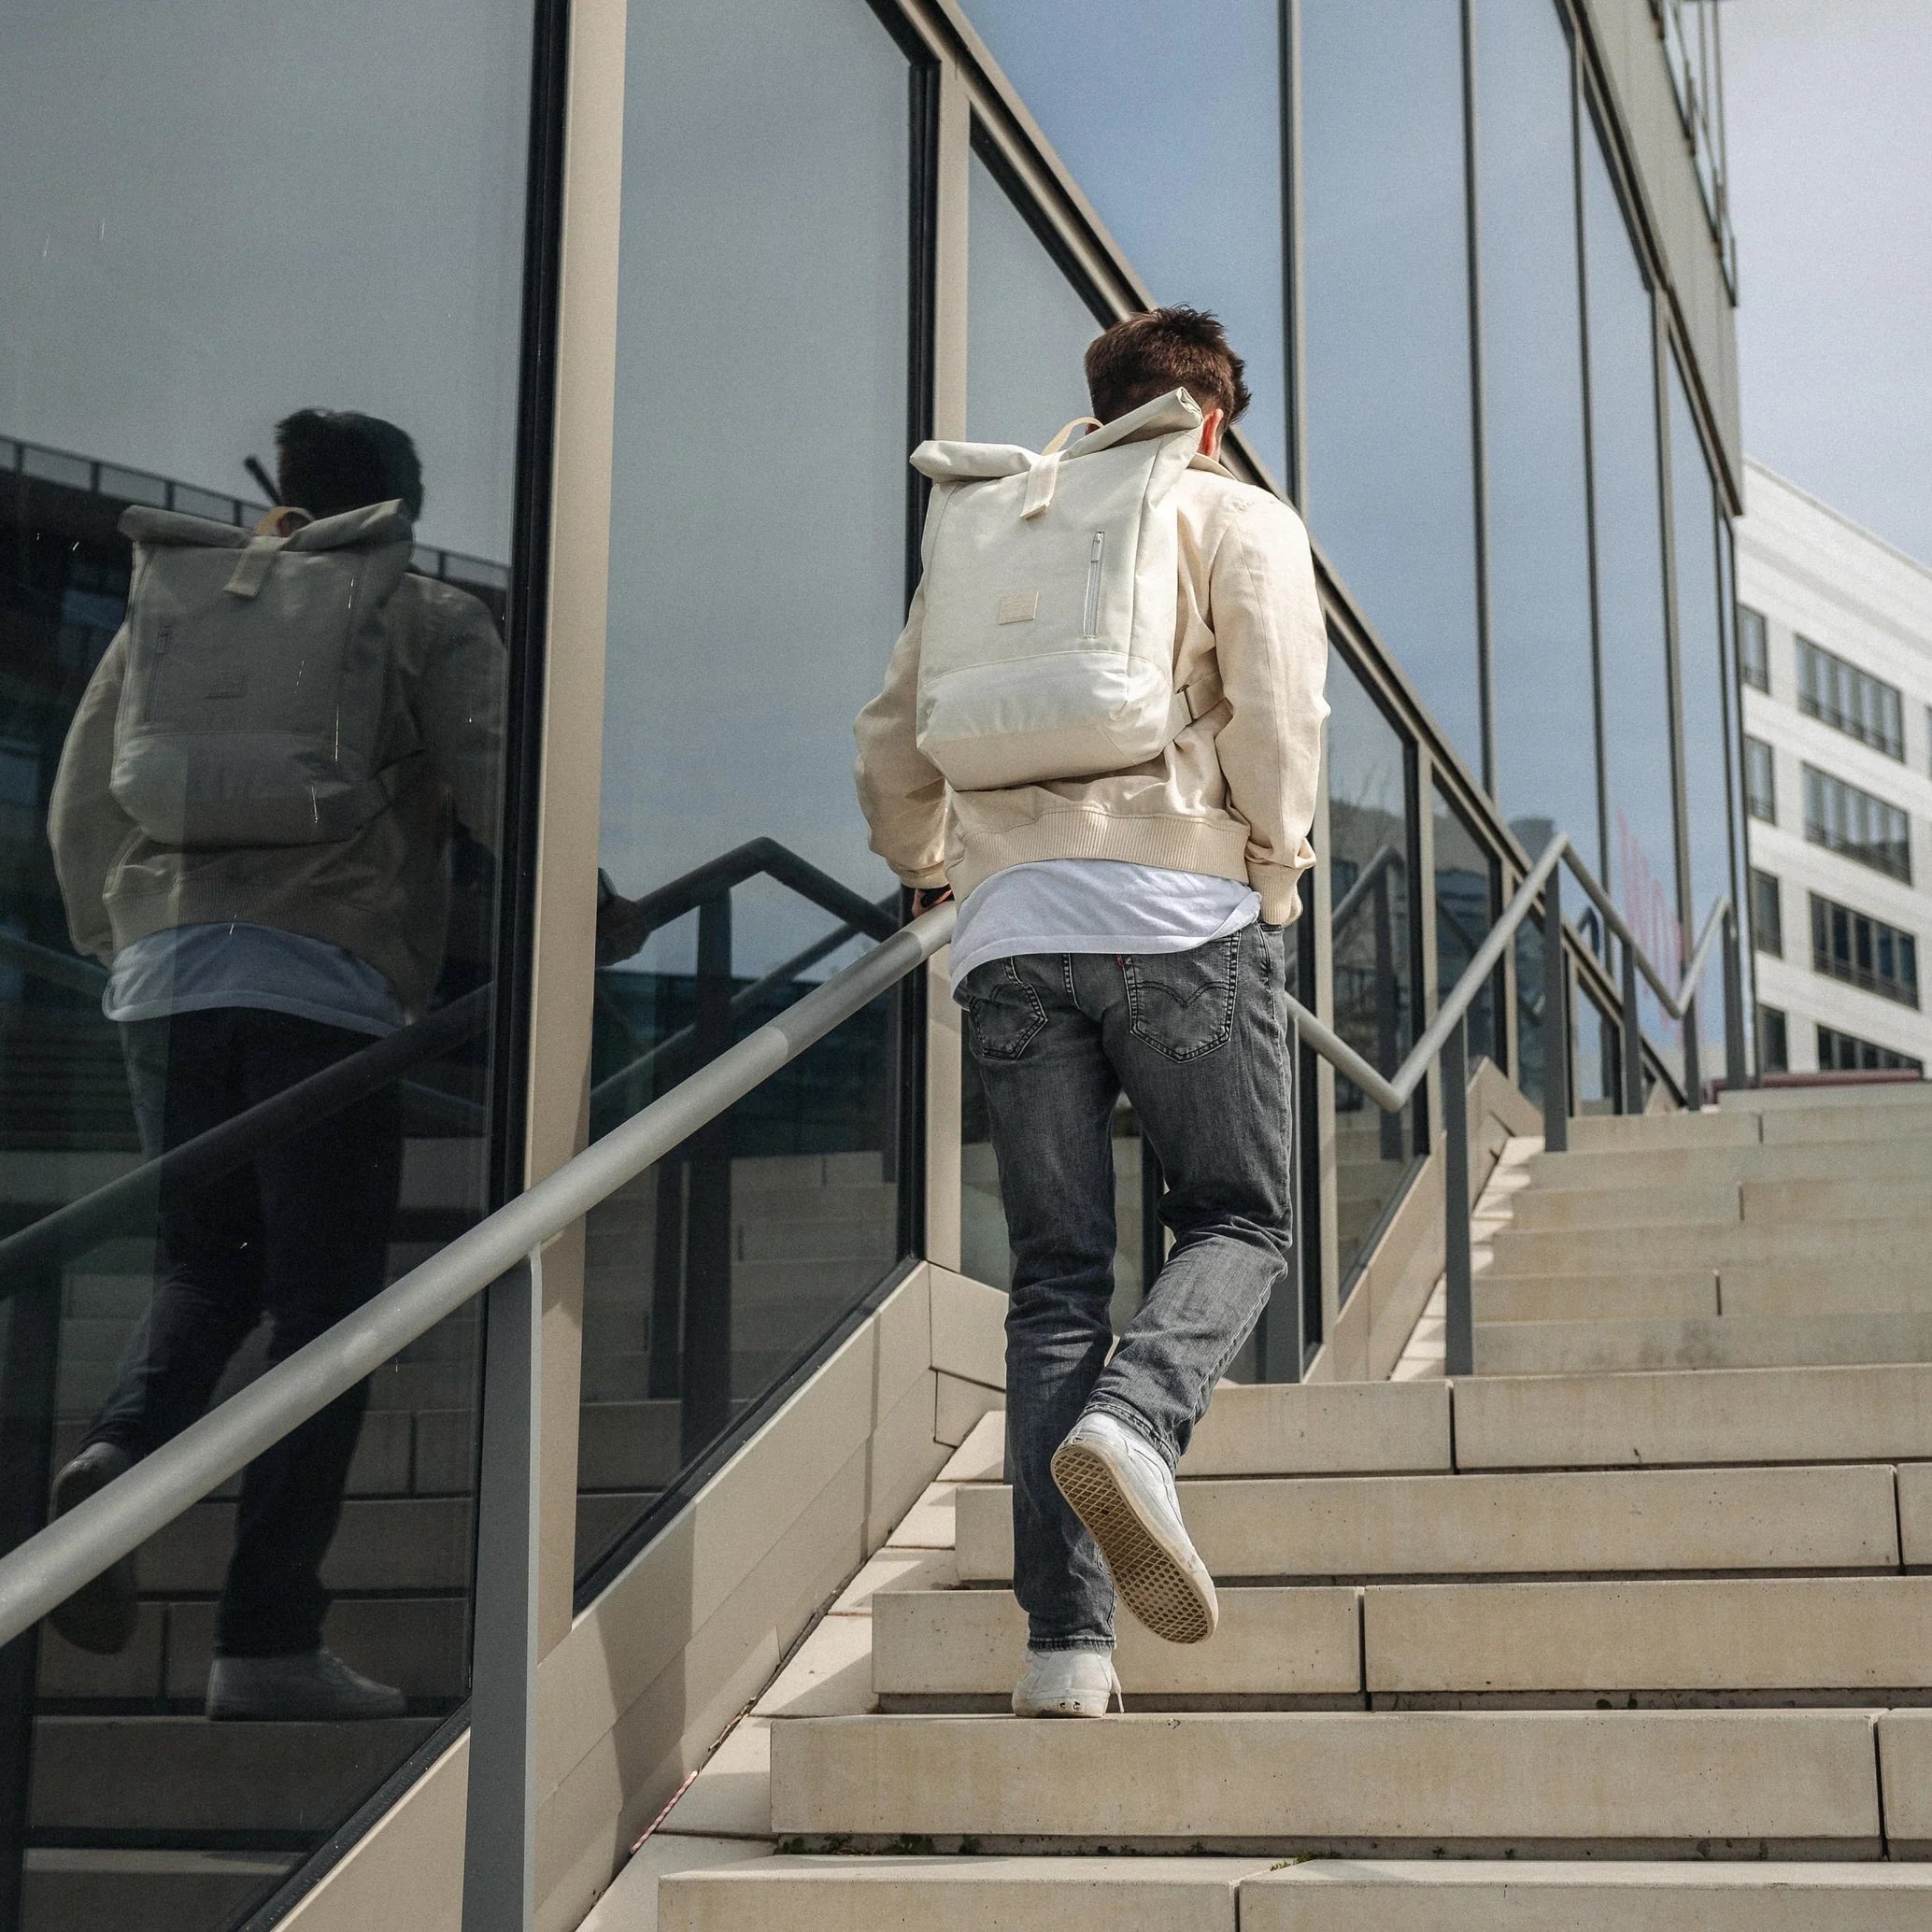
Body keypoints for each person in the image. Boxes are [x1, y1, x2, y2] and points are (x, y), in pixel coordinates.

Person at [854, 309, 1328, 1717]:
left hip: (1008, 932)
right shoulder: (1233, 515)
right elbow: (1277, 709)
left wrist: (932, 873)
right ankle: (1139, 1424)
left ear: (1103, 402)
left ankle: (1065, 1648)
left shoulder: (1003, 522)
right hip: (1177, 908)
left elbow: (893, 735)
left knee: (1056, 1277)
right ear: (1216, 415)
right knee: (1242, 1216)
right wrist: (1276, 869)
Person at [47, 409, 504, 1719]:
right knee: (322, 1316)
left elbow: (84, 799)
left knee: (203, 1261)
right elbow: (493, 775)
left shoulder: (173, 611)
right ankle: (263, 1642)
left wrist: (124, 940)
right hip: (326, 982)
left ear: (286, 499)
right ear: (398, 508)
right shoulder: (421, 611)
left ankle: (124, 1448)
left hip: (166, 981)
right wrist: (580, 902)